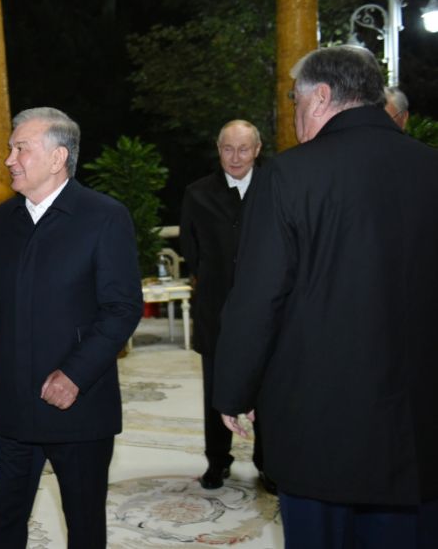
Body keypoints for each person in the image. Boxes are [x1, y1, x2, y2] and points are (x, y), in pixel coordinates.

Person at [214, 45, 438, 549]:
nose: (293, 113)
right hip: (421, 425)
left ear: (319, 97)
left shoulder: (289, 174)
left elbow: (258, 298)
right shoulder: (431, 167)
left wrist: (234, 390)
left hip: (322, 425)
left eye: (293, 100)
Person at [0, 107, 143, 548]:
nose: (8, 159)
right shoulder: (2, 221)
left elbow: (122, 309)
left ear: (57, 157)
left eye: (20, 149)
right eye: (11, 148)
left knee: (84, 526)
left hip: (78, 408)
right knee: (5, 522)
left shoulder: (104, 216)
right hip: (13, 405)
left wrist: (75, 375)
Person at [179, 120, 274, 492]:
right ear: (218, 150)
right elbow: (191, 249)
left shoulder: (275, 187)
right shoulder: (197, 193)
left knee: (268, 390)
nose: (236, 157)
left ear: (257, 150)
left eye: (244, 148)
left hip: (267, 309)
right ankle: (218, 461)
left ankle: (269, 463)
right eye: (228, 149)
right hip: (215, 309)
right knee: (216, 391)